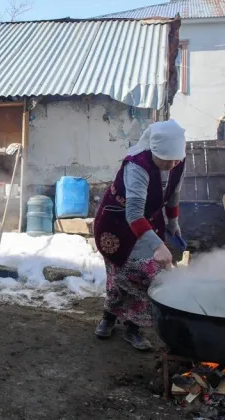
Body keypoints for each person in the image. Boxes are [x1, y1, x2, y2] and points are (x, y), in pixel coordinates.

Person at [93, 120, 187, 351]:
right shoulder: (137, 166)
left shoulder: (178, 162)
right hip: (116, 223)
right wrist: (158, 246)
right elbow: (133, 213)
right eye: (167, 159)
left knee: (148, 276)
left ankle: (133, 329)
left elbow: (173, 194)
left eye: (176, 159)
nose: (173, 164)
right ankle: (109, 316)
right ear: (154, 150)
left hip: (147, 221)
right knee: (118, 273)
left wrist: (173, 222)